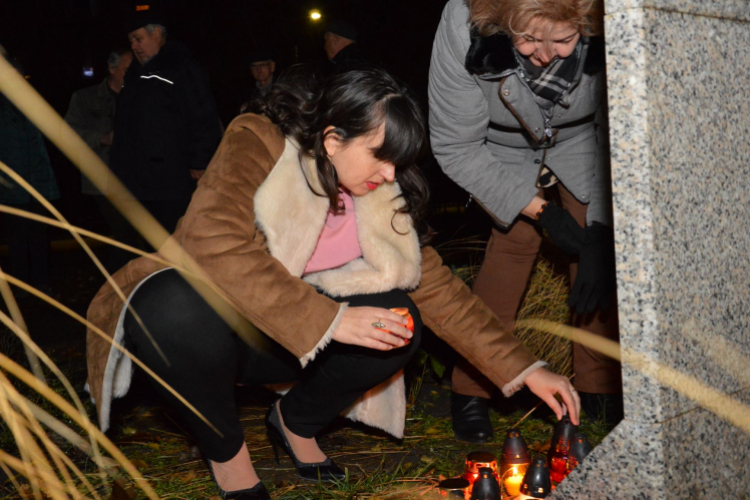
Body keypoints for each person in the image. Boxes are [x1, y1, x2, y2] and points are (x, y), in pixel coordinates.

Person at [85, 68, 579, 499]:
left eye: (399, 163)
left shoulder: (382, 193)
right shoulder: (257, 139)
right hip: (219, 327)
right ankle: (227, 453)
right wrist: (332, 319)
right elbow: (210, 241)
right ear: (332, 138)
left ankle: (295, 423)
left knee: (399, 318)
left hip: (293, 343)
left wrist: (525, 368)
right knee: (169, 306)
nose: (390, 174)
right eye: (380, 156)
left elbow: (441, 291)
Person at [428, 0, 622, 443]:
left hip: (585, 137)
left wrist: (601, 227)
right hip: (497, 145)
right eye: (529, 39)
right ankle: (473, 387)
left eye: (564, 41)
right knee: (512, 242)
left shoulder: (614, 17)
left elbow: (620, 129)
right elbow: (455, 146)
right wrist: (542, 211)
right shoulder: (463, 22)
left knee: (595, 257)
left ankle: (597, 389)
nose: (545, 55)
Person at [108, 7, 222, 257]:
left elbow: (201, 114)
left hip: (172, 178)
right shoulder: (136, 73)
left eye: (138, 39)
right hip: (141, 179)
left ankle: (186, 291)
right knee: (153, 245)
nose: (134, 46)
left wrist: (200, 161)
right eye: (130, 41)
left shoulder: (180, 67)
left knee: (176, 240)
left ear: (157, 34)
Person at [65, 48, 134, 271]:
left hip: (138, 179)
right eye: (126, 70)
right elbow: (67, 134)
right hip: (103, 179)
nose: (132, 75)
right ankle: (115, 288)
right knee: (125, 234)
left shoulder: (141, 95)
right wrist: (102, 138)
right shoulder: (85, 98)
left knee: (136, 236)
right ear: (112, 69)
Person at [0, 45, 60, 297]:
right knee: (17, 237)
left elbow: (42, 147)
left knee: (37, 235)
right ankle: (23, 286)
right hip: (10, 186)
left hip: (36, 183)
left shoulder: (31, 104)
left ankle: (41, 283)